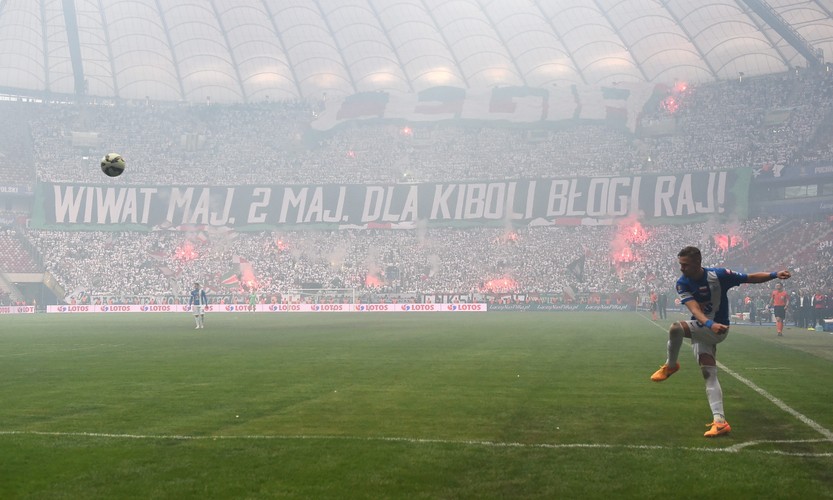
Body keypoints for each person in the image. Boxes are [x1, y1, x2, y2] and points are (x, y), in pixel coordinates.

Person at [650, 246, 791, 437]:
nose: (681, 269)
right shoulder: (682, 283)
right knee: (709, 373)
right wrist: (708, 323)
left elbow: (749, 278)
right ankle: (720, 422)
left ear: (698, 263)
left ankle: (671, 365)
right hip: (704, 328)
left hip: (719, 328)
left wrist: (775, 274)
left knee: (675, 328)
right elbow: (694, 309)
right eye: (680, 265)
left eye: (685, 265)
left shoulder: (719, 275)